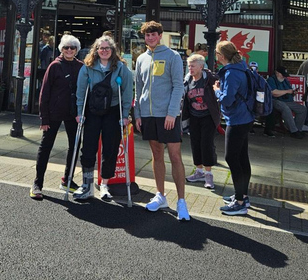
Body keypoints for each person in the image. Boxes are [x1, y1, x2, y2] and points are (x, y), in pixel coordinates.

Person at [134, 21, 189, 221]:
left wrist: (172, 113)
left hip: (168, 115)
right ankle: (161, 195)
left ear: (160, 35)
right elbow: (139, 88)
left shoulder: (173, 56)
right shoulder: (141, 59)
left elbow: (178, 87)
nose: (150, 38)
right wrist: (138, 114)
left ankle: (181, 201)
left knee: (175, 156)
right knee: (156, 155)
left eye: (153, 34)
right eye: (147, 35)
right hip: (148, 116)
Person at [73, 36, 133, 201]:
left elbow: (127, 93)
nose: (104, 51)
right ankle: (87, 185)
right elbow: (81, 91)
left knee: (110, 149)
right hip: (92, 111)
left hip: (113, 111)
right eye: (101, 48)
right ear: (96, 50)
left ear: (113, 51)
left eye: (108, 48)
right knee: (89, 147)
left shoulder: (121, 69)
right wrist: (80, 112)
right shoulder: (88, 68)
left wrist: (125, 114)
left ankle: (104, 185)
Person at [30, 34, 83, 200]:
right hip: (53, 112)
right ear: (61, 49)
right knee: (46, 147)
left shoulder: (81, 66)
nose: (69, 50)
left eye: (72, 48)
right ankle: (37, 183)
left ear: (76, 50)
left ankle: (68, 179)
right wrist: (43, 118)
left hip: (72, 113)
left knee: (74, 147)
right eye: (66, 47)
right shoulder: (54, 66)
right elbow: (44, 93)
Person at [213, 40, 254, 216]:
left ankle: (239, 203)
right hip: (246, 117)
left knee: (231, 158)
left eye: (216, 54)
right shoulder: (242, 68)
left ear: (221, 56)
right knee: (243, 157)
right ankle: (243, 196)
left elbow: (227, 99)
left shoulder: (231, 73)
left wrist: (216, 91)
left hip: (236, 119)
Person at [183, 54, 221, 189]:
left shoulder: (210, 79)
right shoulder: (187, 80)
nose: (190, 69)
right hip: (194, 116)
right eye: (189, 66)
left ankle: (208, 174)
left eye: (193, 66)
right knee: (195, 143)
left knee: (207, 144)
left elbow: (220, 90)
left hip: (208, 116)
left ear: (201, 66)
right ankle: (199, 171)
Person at [266, 65, 306, 139]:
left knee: (302, 109)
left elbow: (289, 91)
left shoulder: (286, 81)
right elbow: (274, 93)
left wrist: (293, 92)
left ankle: (298, 129)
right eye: (283, 75)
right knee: (285, 108)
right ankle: (293, 131)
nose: (284, 77)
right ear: (277, 73)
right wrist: (287, 91)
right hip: (275, 100)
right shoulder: (271, 80)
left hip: (287, 100)